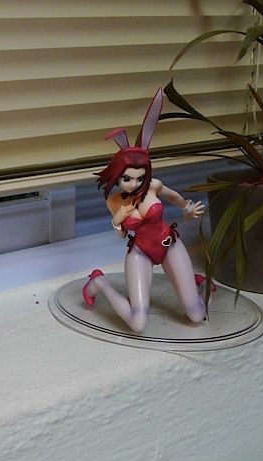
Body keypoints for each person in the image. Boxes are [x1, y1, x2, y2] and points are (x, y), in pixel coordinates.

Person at [83, 88, 209, 333]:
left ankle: (201, 286)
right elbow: (122, 234)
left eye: (140, 178)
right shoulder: (115, 200)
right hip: (140, 253)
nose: (134, 184)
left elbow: (173, 196)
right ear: (117, 176)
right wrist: (117, 220)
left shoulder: (153, 186)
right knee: (138, 323)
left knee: (196, 315)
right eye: (127, 179)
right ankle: (100, 283)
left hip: (169, 245)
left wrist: (186, 208)